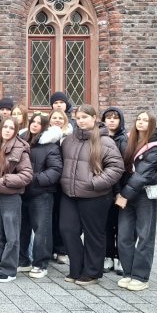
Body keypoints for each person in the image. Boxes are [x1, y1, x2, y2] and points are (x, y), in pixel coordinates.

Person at [59, 105, 124, 285]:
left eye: (85, 117)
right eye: (78, 117)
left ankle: (92, 272)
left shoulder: (105, 141)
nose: (81, 121)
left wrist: (94, 183)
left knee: (93, 234)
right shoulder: (69, 141)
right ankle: (77, 268)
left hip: (95, 196)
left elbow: (116, 167)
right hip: (70, 195)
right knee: (67, 230)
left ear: (94, 118)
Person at [115, 112, 157, 292]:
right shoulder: (126, 141)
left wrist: (124, 195)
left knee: (145, 236)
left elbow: (142, 174)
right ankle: (128, 272)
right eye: (139, 119)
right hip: (126, 194)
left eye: (145, 120)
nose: (141, 122)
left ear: (151, 124)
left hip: (143, 195)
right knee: (124, 236)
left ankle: (140, 276)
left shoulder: (155, 147)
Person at [0, 117, 33, 282]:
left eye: (12, 128)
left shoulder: (20, 149)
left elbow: (26, 175)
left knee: (11, 234)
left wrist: (1, 181)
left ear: (16, 130)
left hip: (10, 196)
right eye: (5, 127)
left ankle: (9, 269)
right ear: (0, 128)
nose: (8, 130)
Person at [19, 113, 63, 279]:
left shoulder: (51, 146)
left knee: (42, 230)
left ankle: (40, 264)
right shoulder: (22, 142)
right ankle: (23, 261)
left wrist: (34, 180)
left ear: (44, 126)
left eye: (39, 123)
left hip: (41, 193)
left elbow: (55, 170)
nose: (34, 125)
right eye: (33, 122)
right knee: (22, 228)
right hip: (22, 192)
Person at [101, 107, 127, 274]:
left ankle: (119, 257)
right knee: (105, 224)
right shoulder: (99, 139)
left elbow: (122, 167)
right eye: (108, 117)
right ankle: (108, 255)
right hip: (103, 187)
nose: (111, 121)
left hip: (120, 188)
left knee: (120, 225)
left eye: (115, 118)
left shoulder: (124, 140)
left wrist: (120, 191)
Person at [48, 109, 72, 265]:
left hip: (65, 181)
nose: (57, 120)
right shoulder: (46, 136)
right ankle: (50, 249)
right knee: (50, 217)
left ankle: (62, 249)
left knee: (63, 219)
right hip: (50, 183)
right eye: (54, 117)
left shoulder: (70, 137)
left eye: (60, 118)